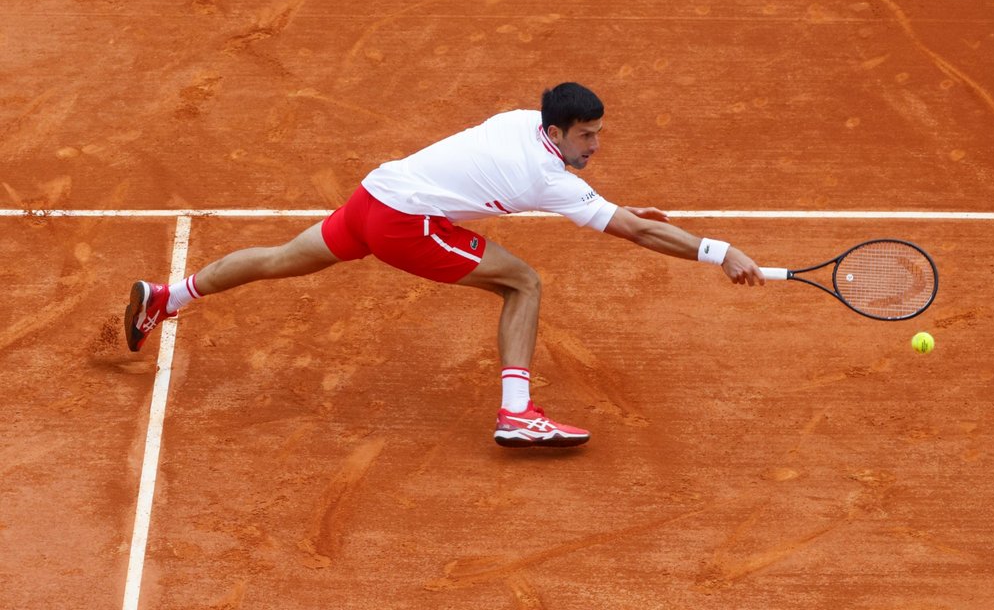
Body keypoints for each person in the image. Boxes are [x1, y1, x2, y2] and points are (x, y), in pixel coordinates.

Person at [124, 82, 765, 448]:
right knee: (523, 282)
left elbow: (583, 203)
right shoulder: (550, 176)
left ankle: (166, 295)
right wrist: (719, 252)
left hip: (375, 194)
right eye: (589, 136)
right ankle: (517, 412)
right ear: (562, 131)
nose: (596, 145)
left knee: (279, 259)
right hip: (409, 223)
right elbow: (630, 233)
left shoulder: (522, 124)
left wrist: (613, 206)